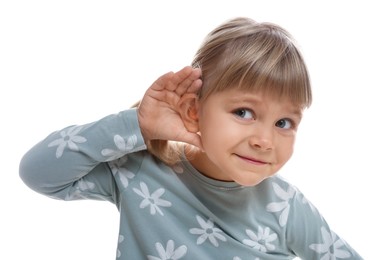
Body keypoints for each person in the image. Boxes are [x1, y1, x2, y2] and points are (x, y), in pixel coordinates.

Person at [19, 17, 363, 259]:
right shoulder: (141, 172)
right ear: (193, 111)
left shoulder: (286, 207)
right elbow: (39, 173)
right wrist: (136, 126)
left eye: (284, 122)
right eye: (244, 112)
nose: (264, 140)